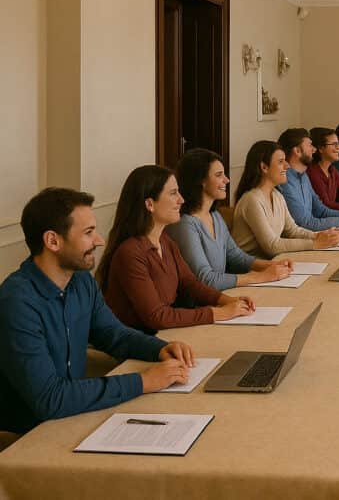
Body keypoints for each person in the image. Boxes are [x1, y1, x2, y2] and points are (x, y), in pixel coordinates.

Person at [0, 188, 195, 434]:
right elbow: (50, 399)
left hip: (75, 417)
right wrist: (143, 381)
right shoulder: (16, 302)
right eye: (88, 232)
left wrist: (159, 348)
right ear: (52, 241)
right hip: (26, 438)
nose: (99, 241)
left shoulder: (81, 281)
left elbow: (114, 335)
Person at [96, 165, 255, 333]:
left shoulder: (165, 241)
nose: (181, 200)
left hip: (165, 336)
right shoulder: (130, 253)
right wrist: (219, 313)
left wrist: (226, 301)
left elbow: (190, 284)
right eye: (173, 193)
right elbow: (157, 316)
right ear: (150, 204)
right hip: (136, 347)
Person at [166, 148, 294, 291]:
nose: (226, 180)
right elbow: (206, 279)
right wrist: (261, 276)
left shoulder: (215, 215)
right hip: (199, 307)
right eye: (219, 175)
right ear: (200, 180)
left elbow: (236, 257)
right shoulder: (184, 224)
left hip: (221, 296)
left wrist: (271, 265)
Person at [232, 141, 339, 257]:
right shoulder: (252, 200)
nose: (287, 166)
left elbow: (292, 230)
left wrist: (318, 236)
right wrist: (314, 243)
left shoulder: (277, 195)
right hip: (250, 269)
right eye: (281, 162)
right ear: (264, 167)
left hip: (271, 263)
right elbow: (272, 246)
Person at [276, 128, 339, 230]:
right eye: (310, 145)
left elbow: (321, 211)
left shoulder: (303, 176)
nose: (314, 150)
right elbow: (305, 224)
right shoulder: (285, 181)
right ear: (297, 151)